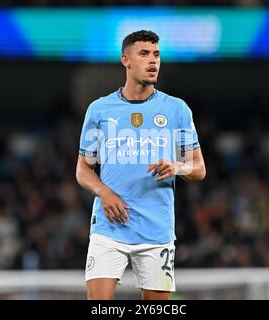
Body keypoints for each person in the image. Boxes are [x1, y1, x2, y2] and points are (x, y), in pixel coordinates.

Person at [76, 30, 206, 300]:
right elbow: (83, 169)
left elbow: (198, 168)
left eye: (156, 55)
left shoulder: (176, 109)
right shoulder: (99, 110)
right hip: (109, 228)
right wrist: (104, 191)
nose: (153, 61)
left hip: (156, 231)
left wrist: (177, 168)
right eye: (144, 54)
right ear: (126, 60)